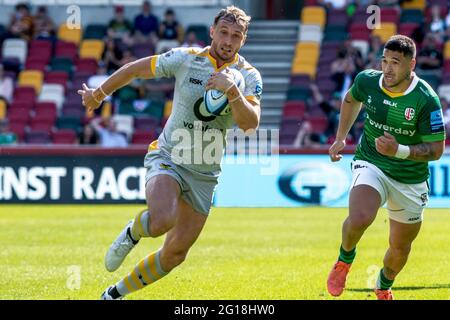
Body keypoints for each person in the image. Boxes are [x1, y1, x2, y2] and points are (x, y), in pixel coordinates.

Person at [78, 6, 262, 300]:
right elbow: (137, 68)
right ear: (212, 31)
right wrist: (99, 94)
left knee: (175, 253)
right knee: (162, 219)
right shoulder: (186, 59)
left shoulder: (248, 76)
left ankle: (114, 294)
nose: (228, 41)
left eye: (236, 36)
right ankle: (132, 233)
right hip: (170, 157)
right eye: (224, 33)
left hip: (205, 174)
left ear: (244, 40)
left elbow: (250, 124)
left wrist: (233, 93)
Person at [327, 35, 446, 300]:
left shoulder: (426, 99)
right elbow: (350, 100)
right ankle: (344, 260)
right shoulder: (367, 81)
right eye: (384, 60)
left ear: (411, 65)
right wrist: (340, 138)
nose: (388, 68)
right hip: (372, 161)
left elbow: (437, 150)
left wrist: (399, 150)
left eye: (395, 62)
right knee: (360, 218)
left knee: (400, 249)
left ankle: (383, 285)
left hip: (410, 178)